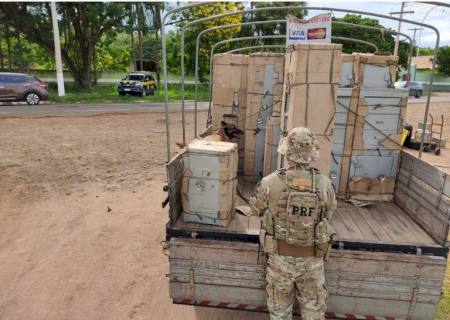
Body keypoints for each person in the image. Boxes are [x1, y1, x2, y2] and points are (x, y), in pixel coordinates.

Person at [250, 127, 337, 320]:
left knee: (280, 314)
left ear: (287, 153)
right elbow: (330, 213)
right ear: (311, 154)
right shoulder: (324, 184)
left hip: (280, 260)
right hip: (313, 261)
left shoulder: (270, 182)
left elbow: (256, 209)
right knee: (313, 314)